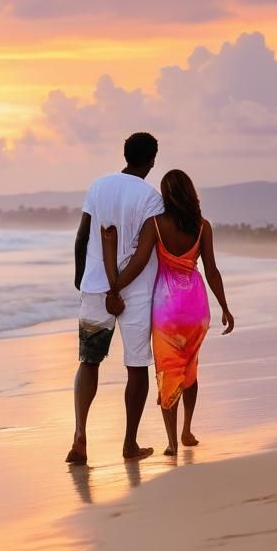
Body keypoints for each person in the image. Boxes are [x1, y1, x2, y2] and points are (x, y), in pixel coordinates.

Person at [102, 169, 234, 454]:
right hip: (197, 308)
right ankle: (187, 431)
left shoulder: (156, 224)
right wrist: (224, 306)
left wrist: (115, 286)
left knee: (168, 371)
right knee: (190, 369)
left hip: (167, 308)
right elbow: (211, 270)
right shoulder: (203, 226)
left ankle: (172, 442)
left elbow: (138, 262)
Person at [66, 132, 165, 466]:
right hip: (135, 291)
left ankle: (80, 436)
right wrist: (118, 288)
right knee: (136, 366)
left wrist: (82, 279)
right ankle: (129, 443)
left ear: (125, 155)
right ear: (152, 159)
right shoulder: (152, 197)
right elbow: (144, 251)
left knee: (89, 360)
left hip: (95, 287)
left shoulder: (98, 186)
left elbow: (82, 236)